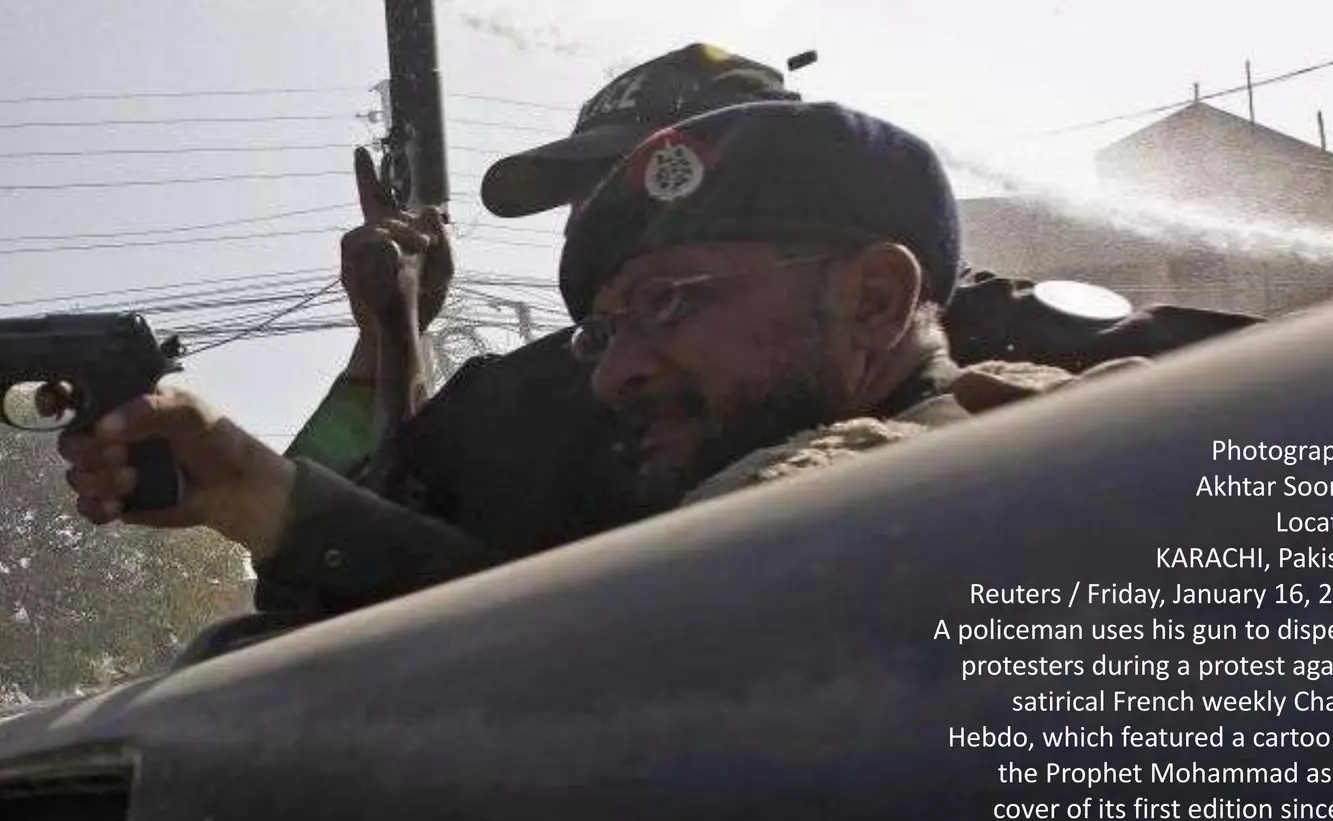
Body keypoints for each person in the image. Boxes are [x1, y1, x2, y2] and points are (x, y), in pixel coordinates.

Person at [255, 44, 1259, 611]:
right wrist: (387, 342)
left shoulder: (998, 346)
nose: (595, 224)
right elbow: (319, 556)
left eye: (624, 182)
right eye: (585, 199)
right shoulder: (569, 387)